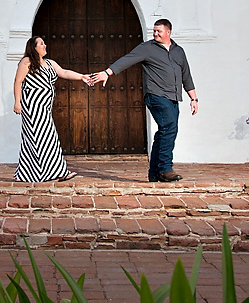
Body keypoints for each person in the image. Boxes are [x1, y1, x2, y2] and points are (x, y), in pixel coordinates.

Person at [89, 19, 197, 182]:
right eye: (154, 31)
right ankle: (166, 169)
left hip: (174, 97)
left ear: (168, 32)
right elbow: (127, 59)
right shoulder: (147, 48)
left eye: (159, 31)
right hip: (156, 95)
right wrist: (108, 72)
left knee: (164, 132)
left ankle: (154, 173)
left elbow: (186, 76)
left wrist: (193, 98)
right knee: (170, 127)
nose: (155, 34)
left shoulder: (179, 51)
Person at [13, 36, 91, 182]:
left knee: (44, 138)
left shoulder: (49, 63)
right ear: (33, 47)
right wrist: (17, 102)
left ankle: (28, 174)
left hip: (44, 107)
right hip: (32, 107)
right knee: (43, 138)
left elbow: (64, 72)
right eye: (41, 43)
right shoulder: (27, 61)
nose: (45, 45)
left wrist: (82, 77)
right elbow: (18, 82)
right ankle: (59, 172)